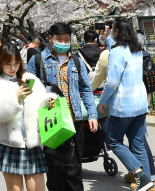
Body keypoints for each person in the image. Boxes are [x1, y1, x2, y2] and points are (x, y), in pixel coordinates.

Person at [26, 23, 98, 191]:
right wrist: (43, 100)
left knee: (74, 170)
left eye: (67, 39)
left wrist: (92, 115)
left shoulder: (76, 61)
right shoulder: (37, 60)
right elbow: (28, 90)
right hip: (52, 121)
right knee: (55, 170)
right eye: (59, 39)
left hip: (75, 121)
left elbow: (86, 89)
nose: (63, 43)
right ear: (50, 39)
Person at [0, 43, 53, 191]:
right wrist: (16, 99)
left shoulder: (29, 78)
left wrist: (49, 102)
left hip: (32, 143)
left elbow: (40, 103)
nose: (13, 67)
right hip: (9, 144)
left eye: (16, 63)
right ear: (0, 63)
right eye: (8, 64)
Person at [97, 19, 155, 191]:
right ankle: (149, 182)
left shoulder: (117, 52)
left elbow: (112, 82)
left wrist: (102, 101)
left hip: (123, 105)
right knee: (137, 143)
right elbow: (114, 48)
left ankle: (140, 176)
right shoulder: (137, 50)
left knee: (113, 141)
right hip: (140, 104)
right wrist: (107, 37)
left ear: (116, 32)